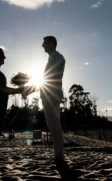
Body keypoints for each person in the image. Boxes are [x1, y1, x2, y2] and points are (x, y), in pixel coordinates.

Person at [0, 47, 28, 167]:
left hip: (0, 101)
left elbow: (1, 88)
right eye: (3, 55)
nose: (5, 57)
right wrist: (17, 90)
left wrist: (18, 90)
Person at [40, 36, 66, 164]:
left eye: (44, 43)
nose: (42, 46)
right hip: (50, 94)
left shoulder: (57, 57)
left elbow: (48, 78)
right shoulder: (52, 58)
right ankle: (58, 156)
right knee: (54, 126)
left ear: (52, 44)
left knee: (54, 127)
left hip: (51, 95)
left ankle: (59, 157)